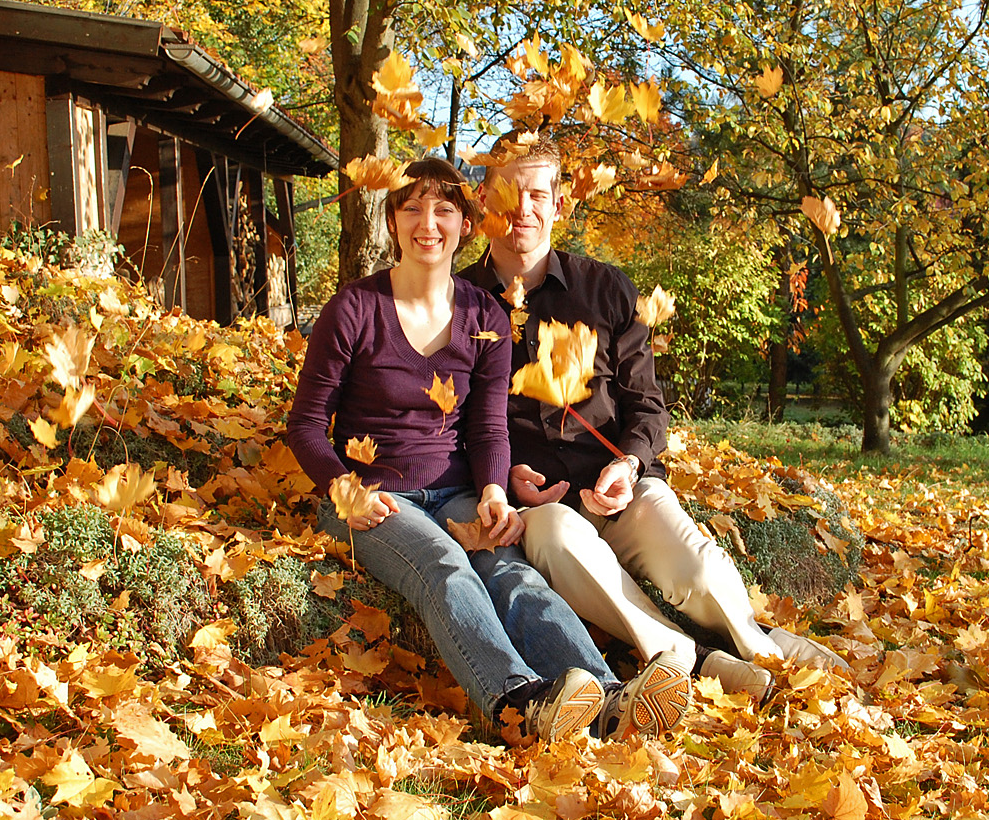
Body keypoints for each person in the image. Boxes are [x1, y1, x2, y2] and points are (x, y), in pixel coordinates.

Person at [287, 157, 691, 742]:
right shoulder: (353, 309)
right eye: (413, 209)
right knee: (445, 565)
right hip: (373, 498)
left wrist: (496, 492)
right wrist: (343, 488)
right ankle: (518, 705)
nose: (429, 223)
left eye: (444, 209)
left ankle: (608, 699)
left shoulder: (485, 316)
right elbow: (304, 425)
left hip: (458, 490)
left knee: (512, 571)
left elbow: (487, 428)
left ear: (466, 224)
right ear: (392, 220)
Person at [460, 138, 849, 699]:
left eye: (538, 193)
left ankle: (761, 647)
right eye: (507, 191)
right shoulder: (462, 300)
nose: (523, 208)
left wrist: (629, 463)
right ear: (481, 198)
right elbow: (454, 421)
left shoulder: (606, 291)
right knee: (561, 540)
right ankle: (688, 659)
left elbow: (647, 405)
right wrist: (502, 473)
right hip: (541, 508)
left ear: (560, 204)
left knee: (701, 572)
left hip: (623, 488)